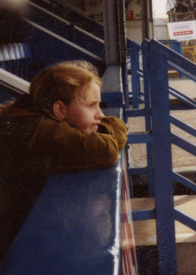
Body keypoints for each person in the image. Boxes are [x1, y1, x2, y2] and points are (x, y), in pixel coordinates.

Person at [0, 60, 127, 265]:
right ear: (59, 110)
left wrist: (95, 125)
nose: (100, 114)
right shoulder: (39, 132)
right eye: (91, 105)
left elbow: (116, 125)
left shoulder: (30, 117)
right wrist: (102, 132)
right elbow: (107, 151)